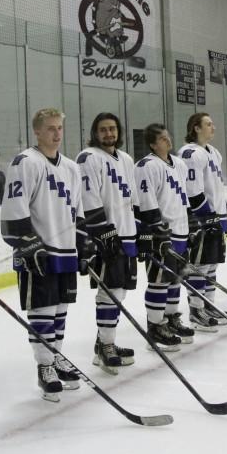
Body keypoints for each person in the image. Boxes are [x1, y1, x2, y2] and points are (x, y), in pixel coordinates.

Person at [0, 109, 85, 402]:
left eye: (60, 127)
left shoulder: (72, 167)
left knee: (61, 309)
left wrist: (84, 245)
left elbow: (78, 211)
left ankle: (56, 356)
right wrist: (28, 245)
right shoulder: (25, 162)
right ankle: (44, 365)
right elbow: (14, 210)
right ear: (37, 131)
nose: (57, 133)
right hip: (40, 251)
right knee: (43, 311)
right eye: (50, 128)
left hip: (65, 250)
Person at [77, 112, 138, 374]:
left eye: (112, 129)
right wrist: (103, 231)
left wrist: (141, 231)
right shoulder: (88, 157)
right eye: (103, 130)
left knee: (120, 292)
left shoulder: (125, 158)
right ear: (95, 132)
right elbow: (88, 198)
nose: (109, 134)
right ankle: (107, 345)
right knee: (109, 291)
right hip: (107, 234)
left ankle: (103, 343)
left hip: (126, 233)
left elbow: (132, 197)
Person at [135, 123, 195, 350]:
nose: (168, 141)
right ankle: (155, 325)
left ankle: (171, 319)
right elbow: (145, 202)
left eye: (168, 137)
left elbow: (183, 197)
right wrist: (155, 231)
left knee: (175, 279)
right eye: (162, 139)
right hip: (162, 233)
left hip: (180, 230)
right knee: (159, 281)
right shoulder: (146, 166)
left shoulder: (178, 163)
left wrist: (192, 224)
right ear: (152, 144)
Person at [178, 113, 227, 332]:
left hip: (215, 216)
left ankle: (208, 305)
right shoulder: (190, 153)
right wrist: (207, 217)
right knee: (199, 265)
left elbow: (216, 187)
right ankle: (196, 309)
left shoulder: (213, 153)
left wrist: (225, 215)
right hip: (201, 219)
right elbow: (193, 192)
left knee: (211, 264)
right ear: (196, 128)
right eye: (208, 124)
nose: (213, 127)